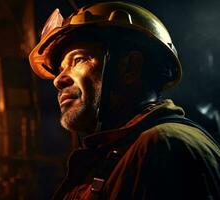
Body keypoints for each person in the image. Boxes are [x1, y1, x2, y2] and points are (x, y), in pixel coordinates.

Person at [29, 2, 220, 200]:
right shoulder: (112, 156)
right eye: (60, 69)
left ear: (129, 67)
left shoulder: (164, 146)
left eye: (78, 60)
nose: (59, 80)